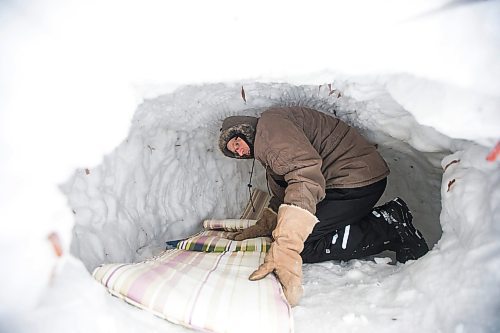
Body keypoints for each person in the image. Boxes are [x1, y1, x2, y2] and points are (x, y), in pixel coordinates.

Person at [218, 106, 429, 306]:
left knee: (303, 244)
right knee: (293, 232)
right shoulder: (272, 140)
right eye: (233, 152)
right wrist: (270, 221)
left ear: (244, 130)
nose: (239, 152)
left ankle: (390, 227)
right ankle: (381, 222)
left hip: (356, 180)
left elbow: (304, 177)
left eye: (236, 143)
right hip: (348, 181)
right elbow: (289, 188)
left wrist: (288, 245)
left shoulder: (270, 130)